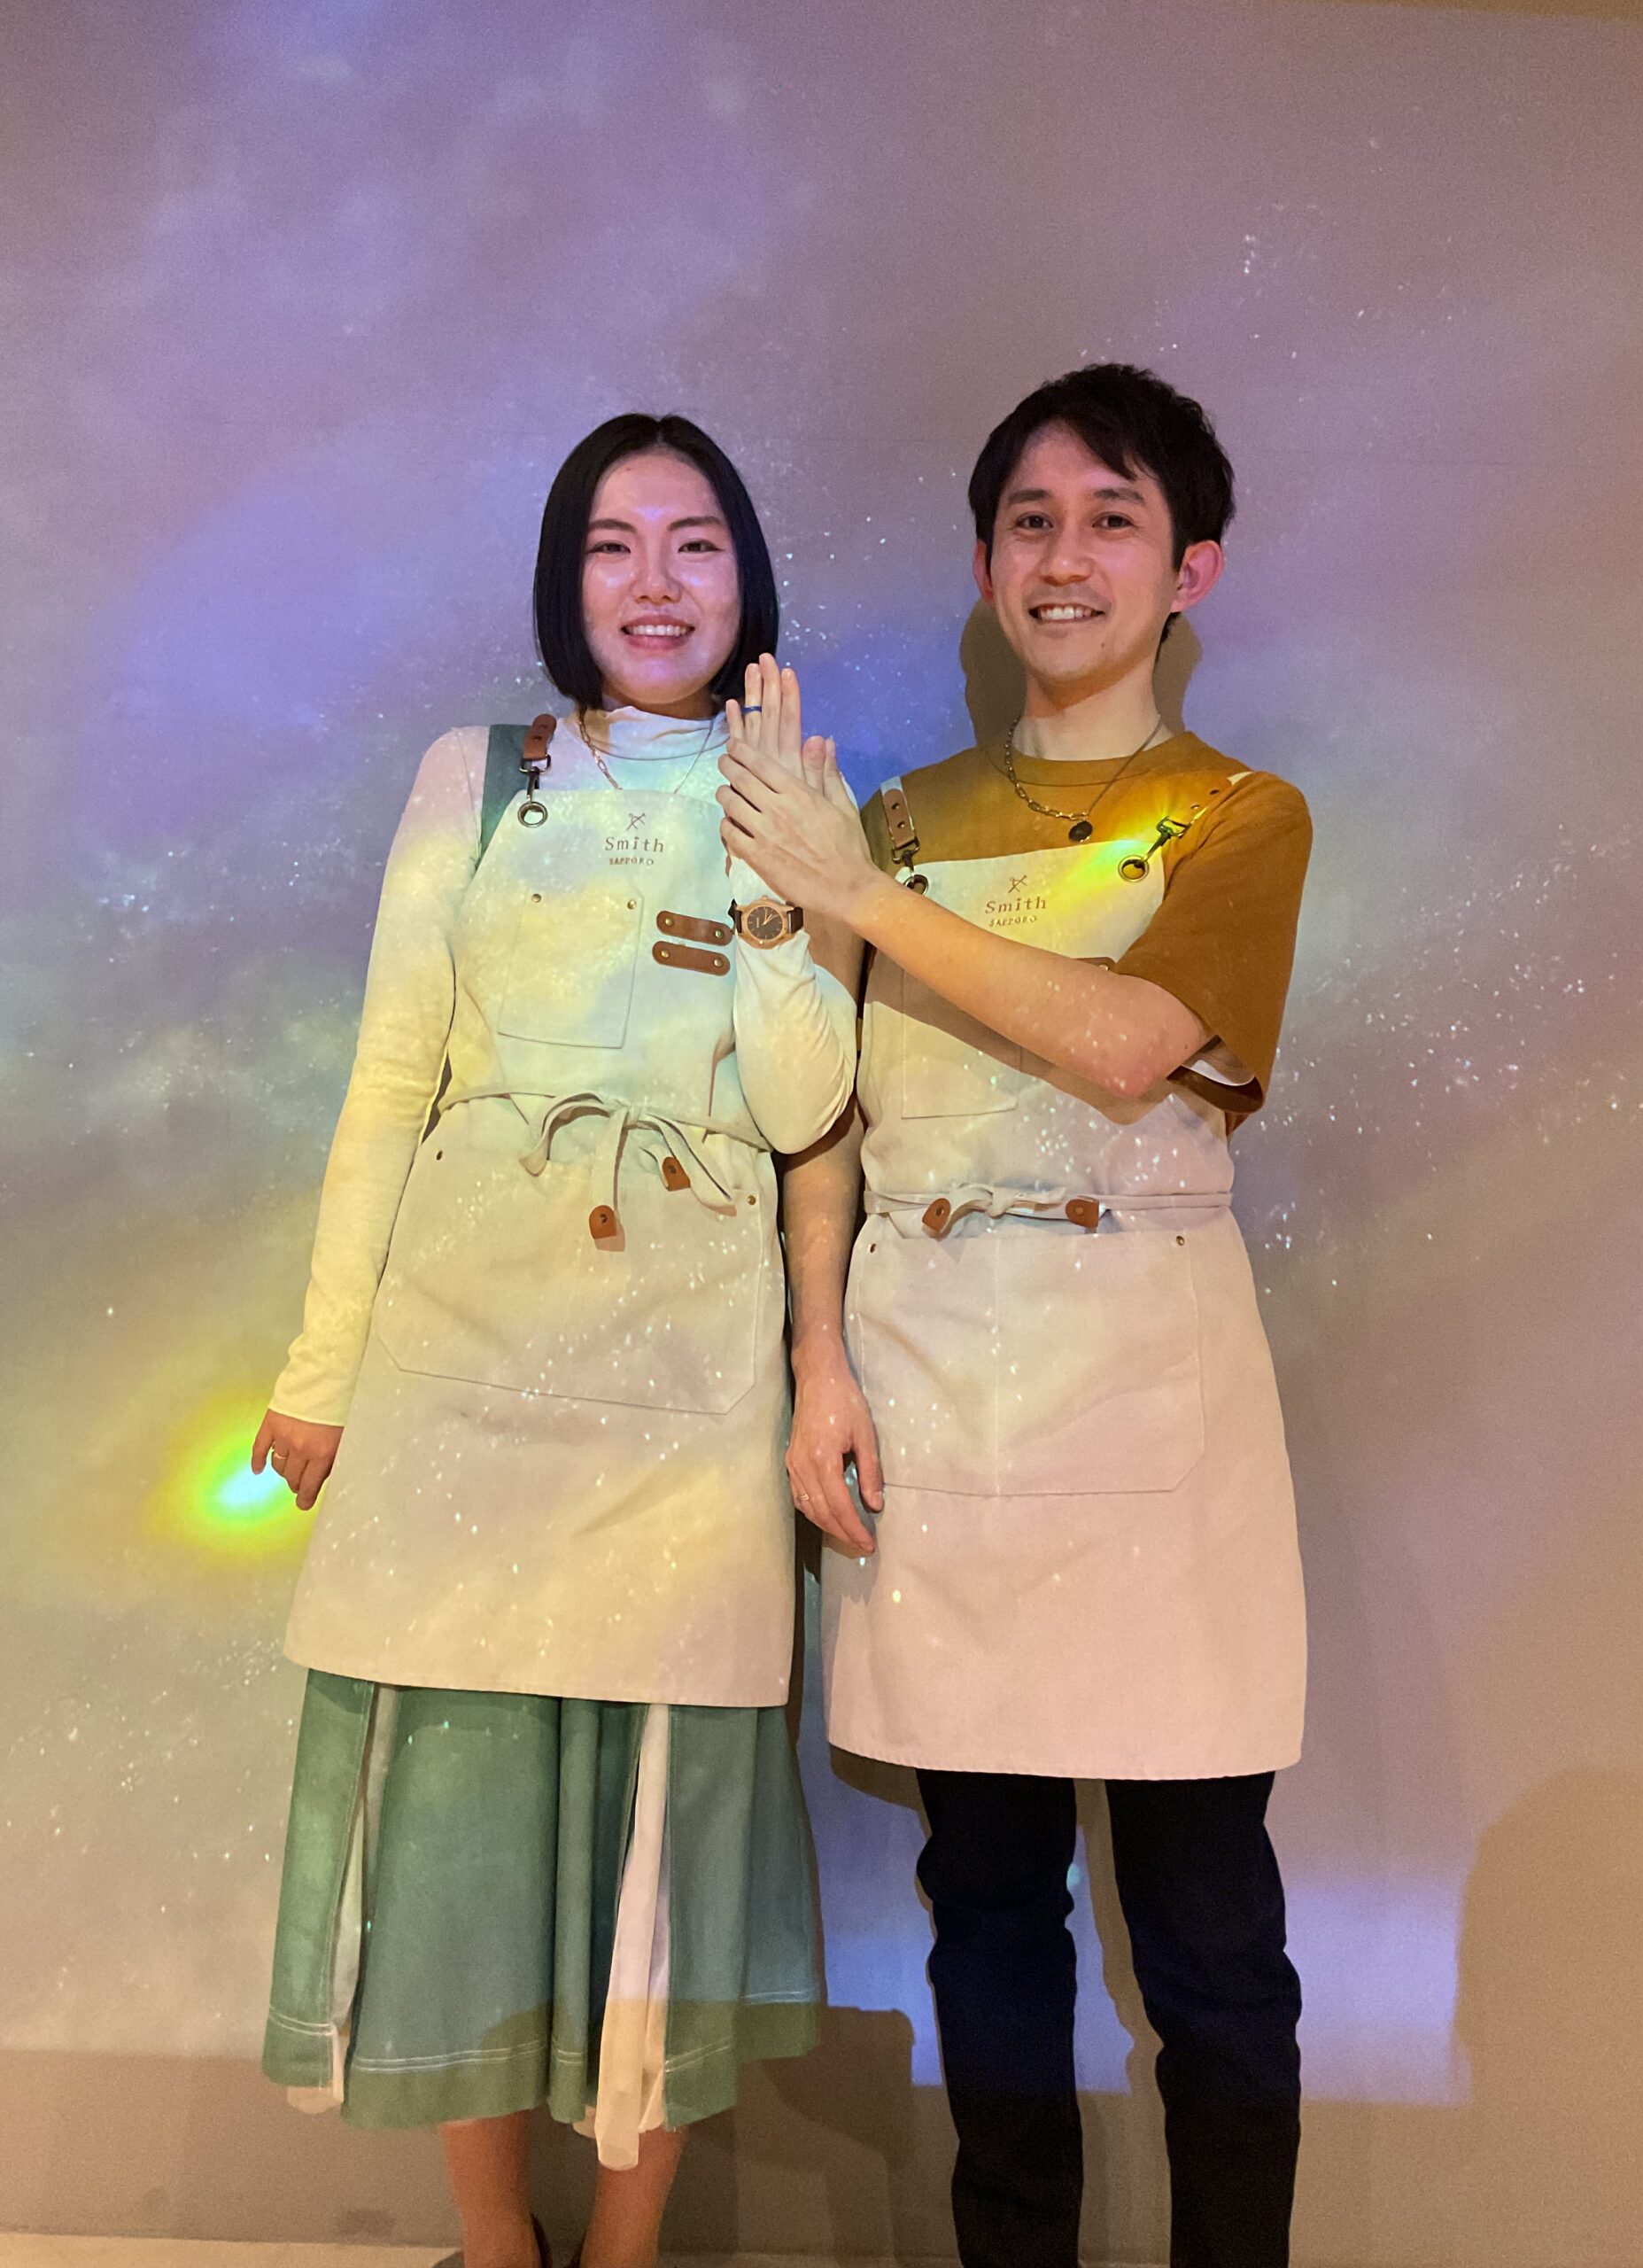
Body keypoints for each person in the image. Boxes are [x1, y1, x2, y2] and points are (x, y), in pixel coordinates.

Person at [717, 363, 1311, 2268]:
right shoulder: (890, 815)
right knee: (986, 1910)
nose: (1066, 557)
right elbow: (827, 1123)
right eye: (1030, 522)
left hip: (1153, 1404)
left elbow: (1132, 1044)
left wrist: (857, 896)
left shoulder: (1241, 813)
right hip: (935, 1391)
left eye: (1112, 518)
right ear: (986, 566)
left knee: (1209, 1926)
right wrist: (818, 1359)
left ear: (1190, 565)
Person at [253, 413, 859, 2268]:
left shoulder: (806, 790)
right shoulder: (477, 776)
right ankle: (496, 2246)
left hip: (687, 1373)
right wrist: (321, 1370)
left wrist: (786, 867)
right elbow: (390, 1078)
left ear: (745, 576)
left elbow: (805, 1101)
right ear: (565, 577)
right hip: (470, 1345)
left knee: (667, 1830)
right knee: (466, 1824)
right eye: (613, 543)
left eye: (694, 543)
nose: (654, 582)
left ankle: (624, 2251)